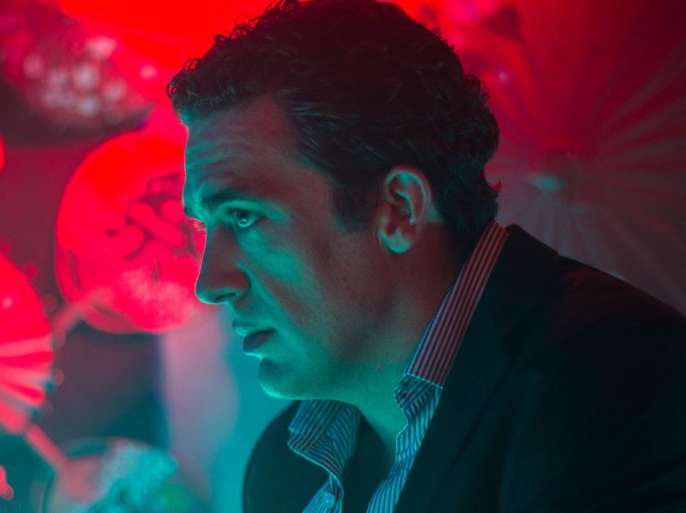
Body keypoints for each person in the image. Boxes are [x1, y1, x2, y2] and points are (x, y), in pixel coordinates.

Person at [167, 0, 686, 511]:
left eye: (244, 217)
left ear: (399, 208)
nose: (210, 284)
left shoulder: (615, 380)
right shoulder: (285, 467)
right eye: (204, 226)